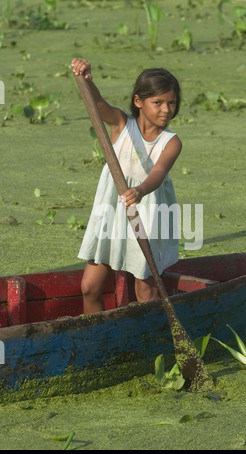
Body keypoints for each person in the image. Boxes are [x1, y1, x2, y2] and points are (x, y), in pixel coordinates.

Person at [71, 58, 182, 314]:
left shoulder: (171, 141)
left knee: (146, 291)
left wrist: (140, 190)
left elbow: (159, 172)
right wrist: (87, 79)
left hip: (149, 211)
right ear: (138, 101)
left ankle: (150, 339)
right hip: (112, 209)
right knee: (89, 286)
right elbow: (98, 105)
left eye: (171, 103)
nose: (166, 109)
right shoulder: (121, 124)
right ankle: (97, 338)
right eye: (158, 102)